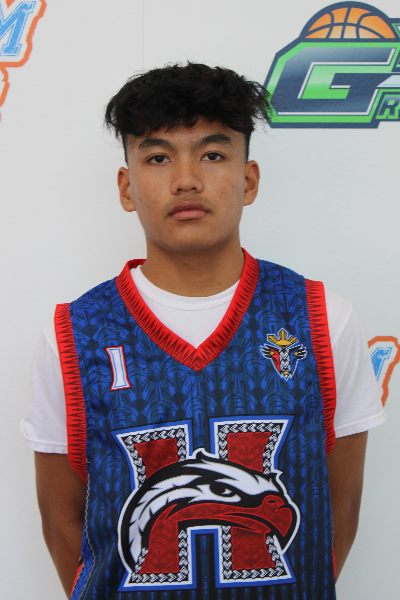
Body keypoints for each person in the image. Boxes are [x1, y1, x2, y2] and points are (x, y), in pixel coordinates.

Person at [22, 62, 385, 600]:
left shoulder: (323, 319)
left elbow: (339, 509)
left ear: (249, 179)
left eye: (213, 155)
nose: (186, 179)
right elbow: (62, 521)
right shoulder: (73, 335)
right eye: (158, 157)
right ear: (126, 187)